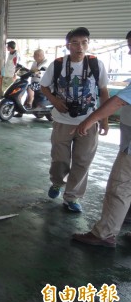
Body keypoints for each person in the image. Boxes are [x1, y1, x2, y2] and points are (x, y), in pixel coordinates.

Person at [71, 30, 131, 247]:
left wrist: (89, 121)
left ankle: (104, 234)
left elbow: (117, 101)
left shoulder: (96, 65)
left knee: (119, 187)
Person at [40, 27, 110, 212]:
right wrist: (54, 101)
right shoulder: (57, 64)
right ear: (68, 45)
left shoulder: (96, 64)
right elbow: (43, 86)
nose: (80, 47)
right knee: (59, 160)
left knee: (82, 161)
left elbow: (103, 92)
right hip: (62, 121)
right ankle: (57, 182)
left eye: (84, 42)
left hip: (89, 121)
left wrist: (104, 119)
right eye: (76, 42)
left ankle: (72, 197)